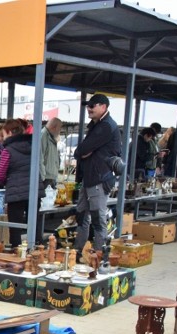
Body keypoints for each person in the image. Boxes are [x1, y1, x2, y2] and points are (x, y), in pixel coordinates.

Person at [73, 94, 121, 251]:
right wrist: (84, 152)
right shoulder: (96, 125)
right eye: (88, 106)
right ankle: (79, 251)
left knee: (97, 218)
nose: (89, 108)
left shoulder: (106, 126)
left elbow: (83, 149)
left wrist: (85, 152)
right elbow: (81, 152)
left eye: (92, 106)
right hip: (90, 178)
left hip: (100, 179)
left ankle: (99, 255)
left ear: (103, 107)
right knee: (81, 215)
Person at [0, 119, 36, 247]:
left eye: (3, 134)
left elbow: (0, 174)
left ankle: (17, 253)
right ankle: (34, 252)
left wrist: (6, 183)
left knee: (15, 228)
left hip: (16, 192)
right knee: (34, 225)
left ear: (8, 132)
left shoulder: (7, 150)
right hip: (35, 190)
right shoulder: (33, 145)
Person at [39, 117, 63, 189]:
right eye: (59, 128)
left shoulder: (50, 136)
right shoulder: (43, 135)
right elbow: (40, 157)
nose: (59, 131)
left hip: (50, 177)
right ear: (54, 127)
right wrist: (42, 177)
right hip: (45, 178)